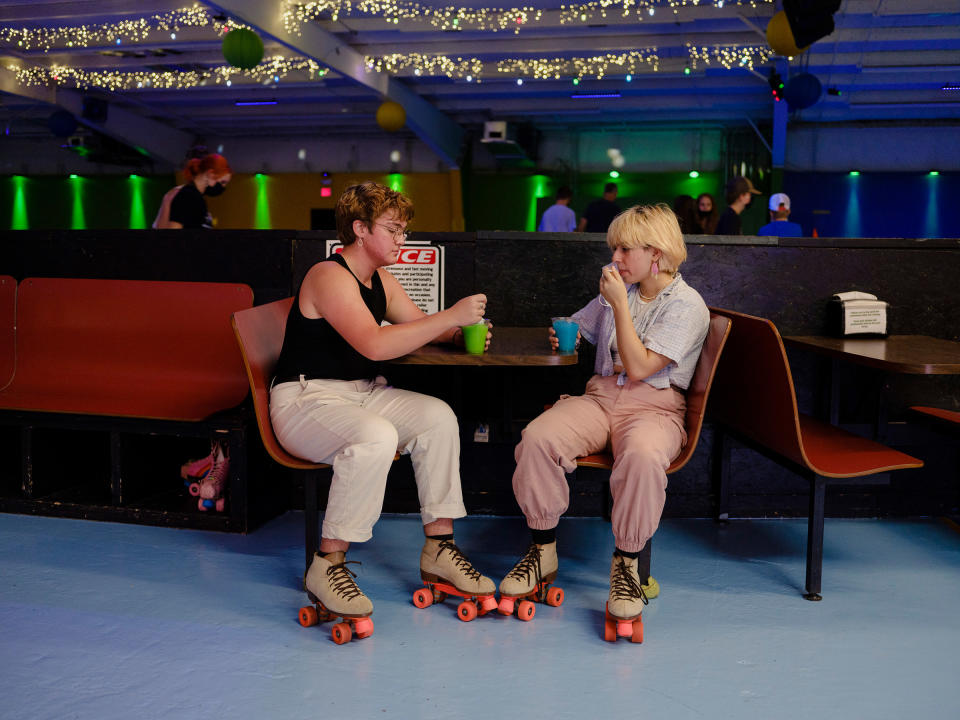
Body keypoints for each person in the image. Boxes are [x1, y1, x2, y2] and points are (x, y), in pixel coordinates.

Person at [269, 181, 495, 622]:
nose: (401, 239)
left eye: (403, 230)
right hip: (304, 400)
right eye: (393, 229)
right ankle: (327, 564)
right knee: (376, 436)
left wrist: (459, 333)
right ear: (359, 229)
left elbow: (419, 325)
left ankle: (439, 550)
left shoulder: (381, 280)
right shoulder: (328, 275)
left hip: (359, 395)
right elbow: (374, 344)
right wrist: (450, 317)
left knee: (437, 417)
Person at [499, 204, 709, 633]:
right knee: (539, 437)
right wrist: (565, 332)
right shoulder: (621, 290)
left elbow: (638, 367)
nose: (615, 258)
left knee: (645, 457)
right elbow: (580, 328)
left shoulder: (687, 306)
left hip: (655, 407)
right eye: (614, 249)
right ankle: (543, 550)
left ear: (656, 253)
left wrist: (617, 306)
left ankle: (627, 567)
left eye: (624, 249)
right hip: (599, 399)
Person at [160, 154, 232, 229]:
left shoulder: (198, 198)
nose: (223, 187)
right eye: (223, 182)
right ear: (211, 174)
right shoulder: (187, 195)